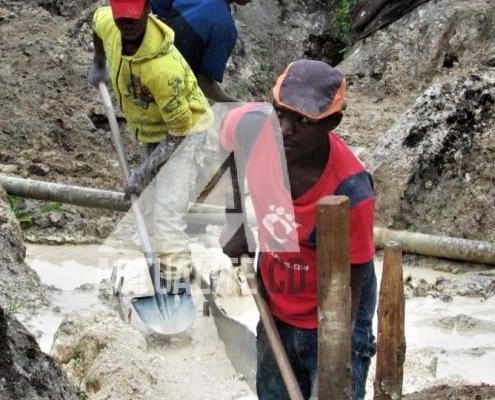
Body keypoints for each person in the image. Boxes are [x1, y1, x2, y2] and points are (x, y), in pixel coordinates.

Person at [219, 59, 377, 399]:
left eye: (302, 121)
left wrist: (335, 354)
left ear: (331, 123)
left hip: (335, 307)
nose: (284, 128)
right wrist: (234, 219)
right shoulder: (251, 128)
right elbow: (226, 142)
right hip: (278, 296)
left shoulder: (350, 192)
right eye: (280, 112)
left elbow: (354, 278)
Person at [88, 0, 212, 292]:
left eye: (133, 18)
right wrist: (98, 64)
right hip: (152, 128)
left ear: (147, 10)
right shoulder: (110, 24)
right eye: (122, 19)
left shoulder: (162, 69)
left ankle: (176, 293)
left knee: (168, 216)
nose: (127, 25)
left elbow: (178, 133)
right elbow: (97, 24)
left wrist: (142, 173)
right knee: (151, 208)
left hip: (186, 133)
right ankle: (166, 274)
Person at [150, 0, 251, 103]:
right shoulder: (225, 28)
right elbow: (204, 82)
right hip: (165, 90)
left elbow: (153, 7)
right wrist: (231, 102)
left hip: (145, 58)